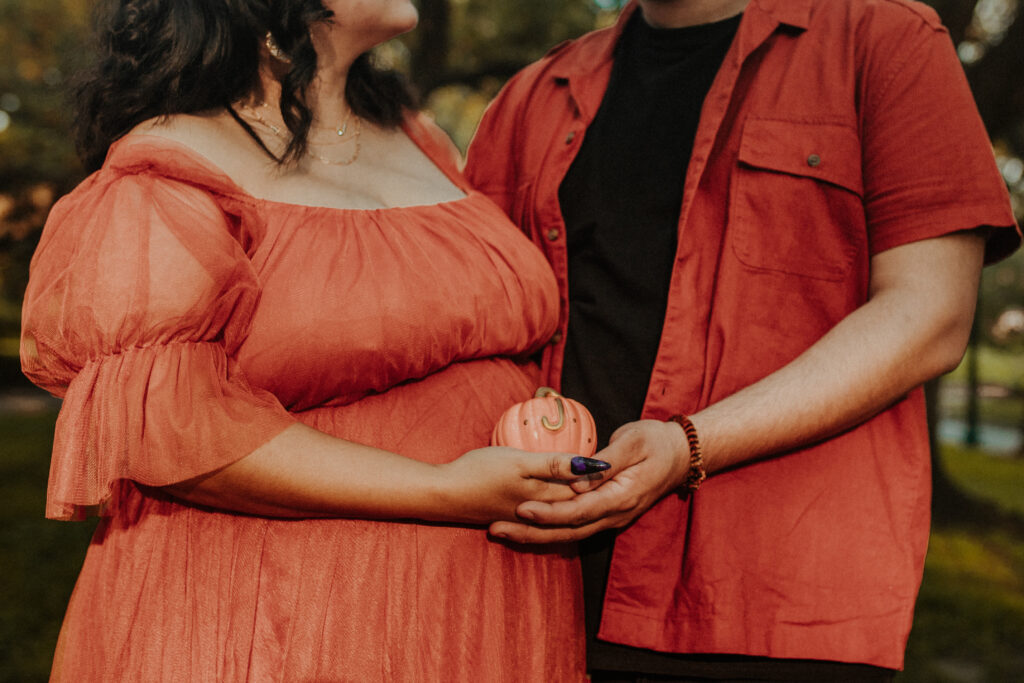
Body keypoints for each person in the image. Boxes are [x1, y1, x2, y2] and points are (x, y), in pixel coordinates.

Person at [21, 1, 596, 680]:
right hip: (290, 618)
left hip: (482, 605)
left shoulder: (418, 138)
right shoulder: (169, 166)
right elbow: (170, 428)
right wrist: (444, 489)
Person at [465, 0, 1022, 680]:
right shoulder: (534, 93)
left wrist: (686, 443)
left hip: (772, 604)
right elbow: (474, 327)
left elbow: (930, 315)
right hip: (540, 596)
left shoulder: (884, 38)